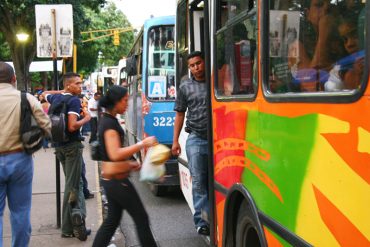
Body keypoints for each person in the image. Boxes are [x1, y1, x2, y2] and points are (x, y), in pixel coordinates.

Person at [92, 85, 158, 247]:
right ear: (115, 102)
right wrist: (142, 144)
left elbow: (111, 155)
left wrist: (129, 164)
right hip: (117, 182)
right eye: (124, 100)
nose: (127, 103)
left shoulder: (108, 120)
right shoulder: (108, 123)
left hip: (113, 180)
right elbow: (114, 154)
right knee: (141, 218)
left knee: (112, 222)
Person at [0, 62, 51, 246]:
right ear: (13, 79)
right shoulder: (26, 98)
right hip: (20, 159)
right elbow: (46, 125)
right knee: (20, 211)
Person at [42, 72, 91, 241]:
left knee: (75, 182)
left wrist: (60, 91)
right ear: (69, 85)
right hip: (72, 147)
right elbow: (72, 126)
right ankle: (71, 223)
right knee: (72, 187)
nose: (80, 86)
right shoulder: (74, 100)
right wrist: (87, 118)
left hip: (59, 148)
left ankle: (79, 222)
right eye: (77, 83)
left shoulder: (55, 99)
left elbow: (44, 94)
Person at [171, 51, 210, 235]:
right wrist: (175, 142)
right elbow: (179, 113)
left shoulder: (215, 81)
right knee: (199, 183)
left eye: (199, 63)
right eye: (192, 65)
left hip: (219, 138)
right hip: (196, 139)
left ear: (204, 62)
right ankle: (202, 221)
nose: (196, 67)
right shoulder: (185, 86)